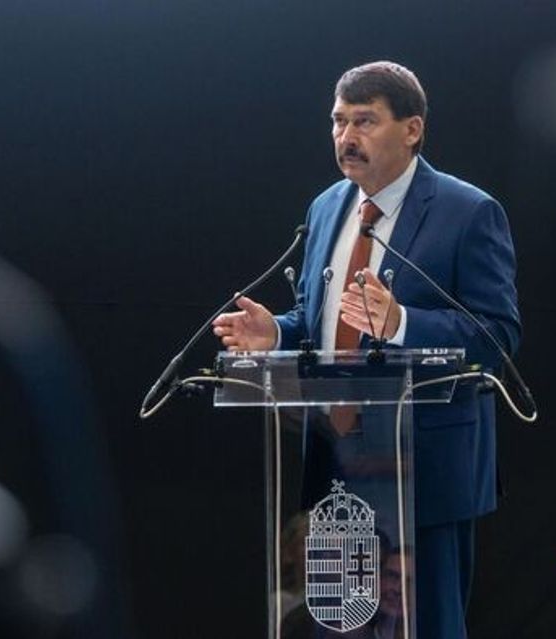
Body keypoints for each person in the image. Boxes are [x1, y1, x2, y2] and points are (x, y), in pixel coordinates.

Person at [213, 61, 520, 639]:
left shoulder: (468, 212)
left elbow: (497, 337)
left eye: (364, 121)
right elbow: (321, 325)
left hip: (424, 473)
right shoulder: (327, 208)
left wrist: (403, 321)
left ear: (412, 129)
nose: (346, 137)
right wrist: (276, 334)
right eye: (338, 121)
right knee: (337, 625)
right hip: (335, 468)